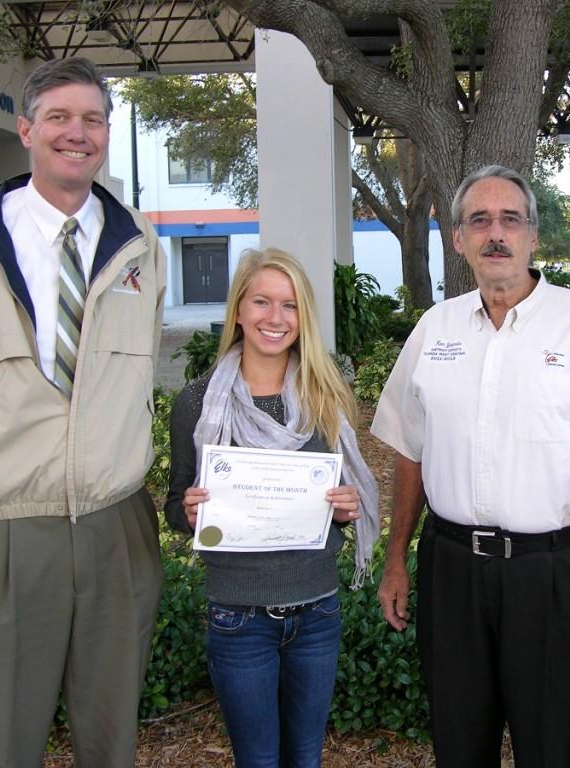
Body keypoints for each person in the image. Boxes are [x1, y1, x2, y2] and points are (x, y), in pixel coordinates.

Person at [0, 57, 166, 766]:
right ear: (25, 129)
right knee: (1, 743)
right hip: (3, 535)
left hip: (115, 526)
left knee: (110, 743)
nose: (78, 134)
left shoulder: (139, 244)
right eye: (59, 118)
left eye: (94, 120)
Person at [371, 164, 570, 768]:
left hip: (558, 576)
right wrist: (396, 557)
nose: (496, 234)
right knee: (459, 746)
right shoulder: (435, 329)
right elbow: (410, 447)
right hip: (453, 570)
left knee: (555, 749)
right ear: (456, 239)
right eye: (478, 221)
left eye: (510, 219)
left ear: (534, 236)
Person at [164, 247, 379, 768]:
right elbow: (175, 504)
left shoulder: (326, 397)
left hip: (317, 609)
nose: (275, 318)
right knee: (257, 760)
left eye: (289, 305)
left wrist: (347, 507)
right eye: (261, 301)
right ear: (238, 310)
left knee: (305, 758)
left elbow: (338, 500)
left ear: (303, 317)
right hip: (238, 616)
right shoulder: (197, 401)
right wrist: (189, 511)